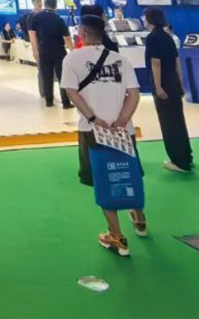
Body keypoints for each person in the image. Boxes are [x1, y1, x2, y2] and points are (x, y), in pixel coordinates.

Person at [61, 15, 146, 258]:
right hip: (123, 132)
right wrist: (122, 120)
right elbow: (134, 93)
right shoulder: (120, 59)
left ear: (82, 32)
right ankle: (139, 218)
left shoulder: (72, 59)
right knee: (129, 172)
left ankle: (116, 235)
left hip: (93, 132)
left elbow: (72, 93)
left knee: (103, 178)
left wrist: (92, 118)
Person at [144, 8, 193, 173]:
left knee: (168, 124)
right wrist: (181, 83)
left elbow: (155, 63)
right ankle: (186, 156)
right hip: (173, 83)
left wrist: (158, 87)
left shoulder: (152, 38)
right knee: (178, 121)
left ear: (149, 19)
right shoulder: (168, 37)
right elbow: (177, 61)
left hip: (164, 84)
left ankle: (178, 161)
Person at [29, 0, 73, 108]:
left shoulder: (36, 17)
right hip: (58, 51)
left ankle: (49, 101)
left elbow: (32, 34)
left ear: (45, 4)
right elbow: (67, 38)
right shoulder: (58, 19)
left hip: (44, 50)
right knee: (62, 76)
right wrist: (73, 51)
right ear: (55, 5)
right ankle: (65, 102)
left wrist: (35, 49)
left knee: (46, 75)